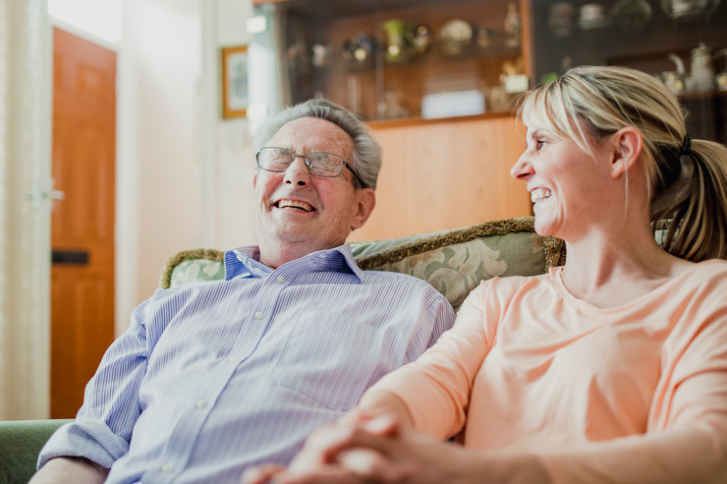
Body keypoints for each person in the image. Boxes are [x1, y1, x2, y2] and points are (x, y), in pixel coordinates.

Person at [246, 66, 727, 484]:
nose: (518, 167)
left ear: (620, 152)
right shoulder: (500, 298)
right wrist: (354, 443)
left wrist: (472, 474)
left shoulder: (715, 294)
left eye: (541, 143)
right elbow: (432, 383)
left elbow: (713, 454)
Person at [31, 99, 455, 484]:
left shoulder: (413, 309)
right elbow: (90, 446)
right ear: (256, 185)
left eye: (323, 162)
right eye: (280, 159)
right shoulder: (166, 308)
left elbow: (431, 460)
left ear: (361, 207)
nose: (295, 175)